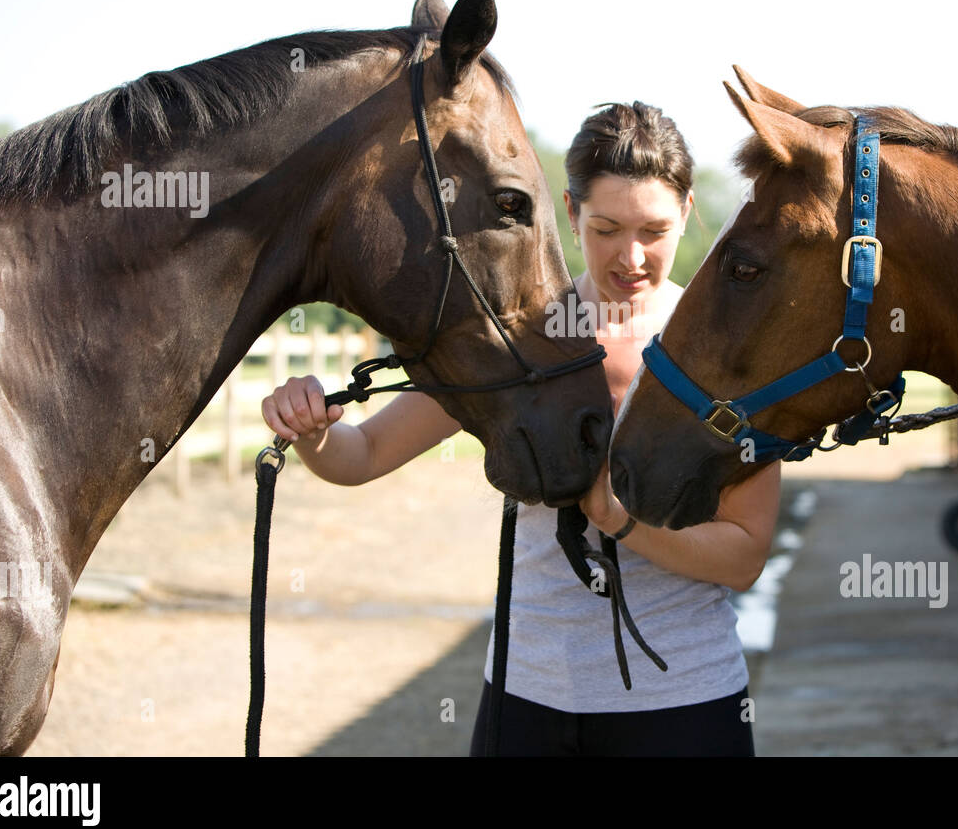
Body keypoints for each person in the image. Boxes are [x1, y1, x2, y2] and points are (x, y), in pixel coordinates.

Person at [262, 102, 781, 756]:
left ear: (686, 210)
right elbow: (362, 454)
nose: (631, 256)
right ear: (568, 213)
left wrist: (624, 523)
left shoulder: (727, 353)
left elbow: (744, 554)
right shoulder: (515, 344)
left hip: (683, 705)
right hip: (526, 699)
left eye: (652, 229)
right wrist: (312, 429)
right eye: (606, 228)